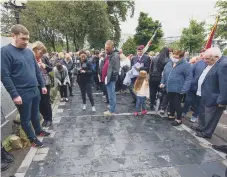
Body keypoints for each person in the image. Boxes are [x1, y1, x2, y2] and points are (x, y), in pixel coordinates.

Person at [1, 24, 50, 148]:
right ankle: (32, 139)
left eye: (27, 39)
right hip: (21, 92)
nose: (26, 42)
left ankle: (38, 130)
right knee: (25, 118)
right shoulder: (5, 52)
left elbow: (36, 70)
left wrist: (42, 85)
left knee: (35, 113)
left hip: (35, 89)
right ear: (13, 36)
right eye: (23, 39)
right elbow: (4, 76)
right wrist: (14, 94)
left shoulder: (28, 52)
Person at [194, 47, 227, 139]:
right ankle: (201, 128)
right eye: (204, 58)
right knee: (203, 114)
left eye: (207, 59)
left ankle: (207, 133)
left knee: (211, 117)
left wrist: (222, 101)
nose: (205, 61)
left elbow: (225, 85)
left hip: (214, 98)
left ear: (216, 57)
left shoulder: (224, 65)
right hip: (204, 94)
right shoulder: (213, 62)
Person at [160, 50, 192, 126]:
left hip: (179, 89)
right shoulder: (169, 63)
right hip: (169, 88)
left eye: (177, 57)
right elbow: (165, 73)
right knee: (171, 103)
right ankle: (171, 116)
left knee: (177, 104)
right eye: (173, 56)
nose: (174, 58)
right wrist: (162, 82)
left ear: (181, 57)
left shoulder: (186, 65)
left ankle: (178, 119)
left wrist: (184, 89)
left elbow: (189, 78)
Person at [182, 50, 207, 123]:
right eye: (201, 55)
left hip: (203, 89)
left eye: (203, 55)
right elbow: (191, 73)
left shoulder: (212, 65)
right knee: (188, 101)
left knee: (199, 103)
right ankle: (184, 111)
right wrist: (190, 83)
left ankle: (195, 116)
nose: (201, 56)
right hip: (193, 86)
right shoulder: (199, 63)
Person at [32, 41, 53, 127]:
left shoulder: (44, 58)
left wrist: (45, 66)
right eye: (41, 52)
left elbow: (51, 68)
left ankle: (49, 119)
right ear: (36, 49)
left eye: (43, 53)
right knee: (40, 103)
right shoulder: (30, 57)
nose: (42, 54)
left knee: (46, 102)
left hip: (45, 83)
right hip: (36, 84)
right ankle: (45, 118)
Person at [103, 40, 120, 116]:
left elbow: (116, 70)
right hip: (108, 78)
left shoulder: (115, 56)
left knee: (111, 95)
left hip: (110, 79)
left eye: (107, 49)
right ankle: (111, 107)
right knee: (110, 94)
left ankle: (111, 110)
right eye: (105, 48)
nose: (105, 50)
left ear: (112, 47)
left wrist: (109, 78)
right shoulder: (109, 54)